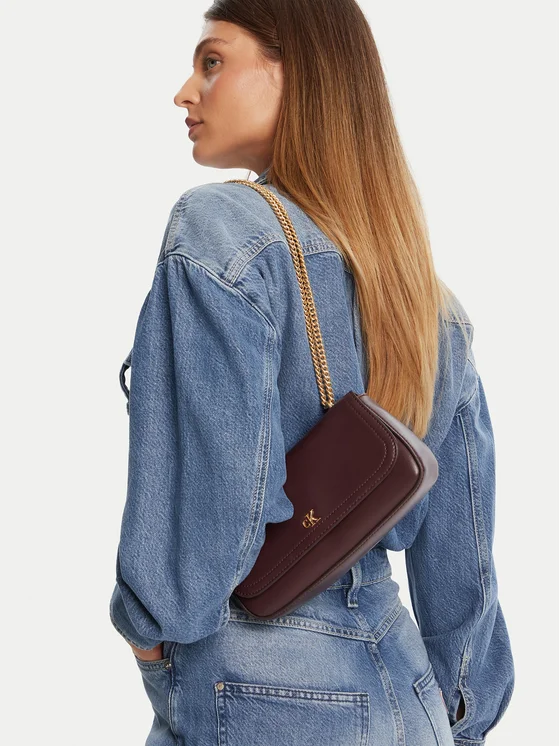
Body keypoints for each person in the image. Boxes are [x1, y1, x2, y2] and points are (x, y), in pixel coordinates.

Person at [109, 2, 515, 744]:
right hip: (410, 693)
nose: (184, 92)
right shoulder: (428, 302)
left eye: (212, 62)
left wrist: (149, 630)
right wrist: (463, 709)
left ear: (299, 73)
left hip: (258, 687)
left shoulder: (220, 230)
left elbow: (215, 502)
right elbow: (464, 560)